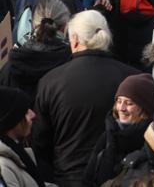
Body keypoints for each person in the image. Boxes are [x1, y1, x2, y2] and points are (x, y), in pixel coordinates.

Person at [32, 11, 141, 187]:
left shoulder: (50, 82)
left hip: (69, 178)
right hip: (122, 176)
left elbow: (40, 142)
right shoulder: (132, 79)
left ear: (74, 39)